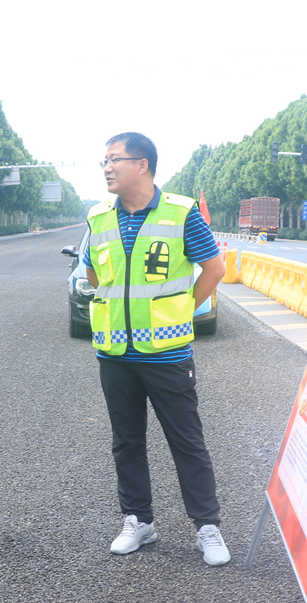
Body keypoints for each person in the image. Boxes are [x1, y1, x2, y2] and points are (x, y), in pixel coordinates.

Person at [83, 132, 229, 566]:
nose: (107, 168)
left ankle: (207, 527)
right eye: (104, 161)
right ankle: (138, 521)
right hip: (115, 355)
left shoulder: (180, 213)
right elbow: (93, 274)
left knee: (186, 441)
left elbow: (214, 268)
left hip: (167, 354)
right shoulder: (98, 218)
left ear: (142, 165)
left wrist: (180, 310)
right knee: (126, 441)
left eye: (115, 159)